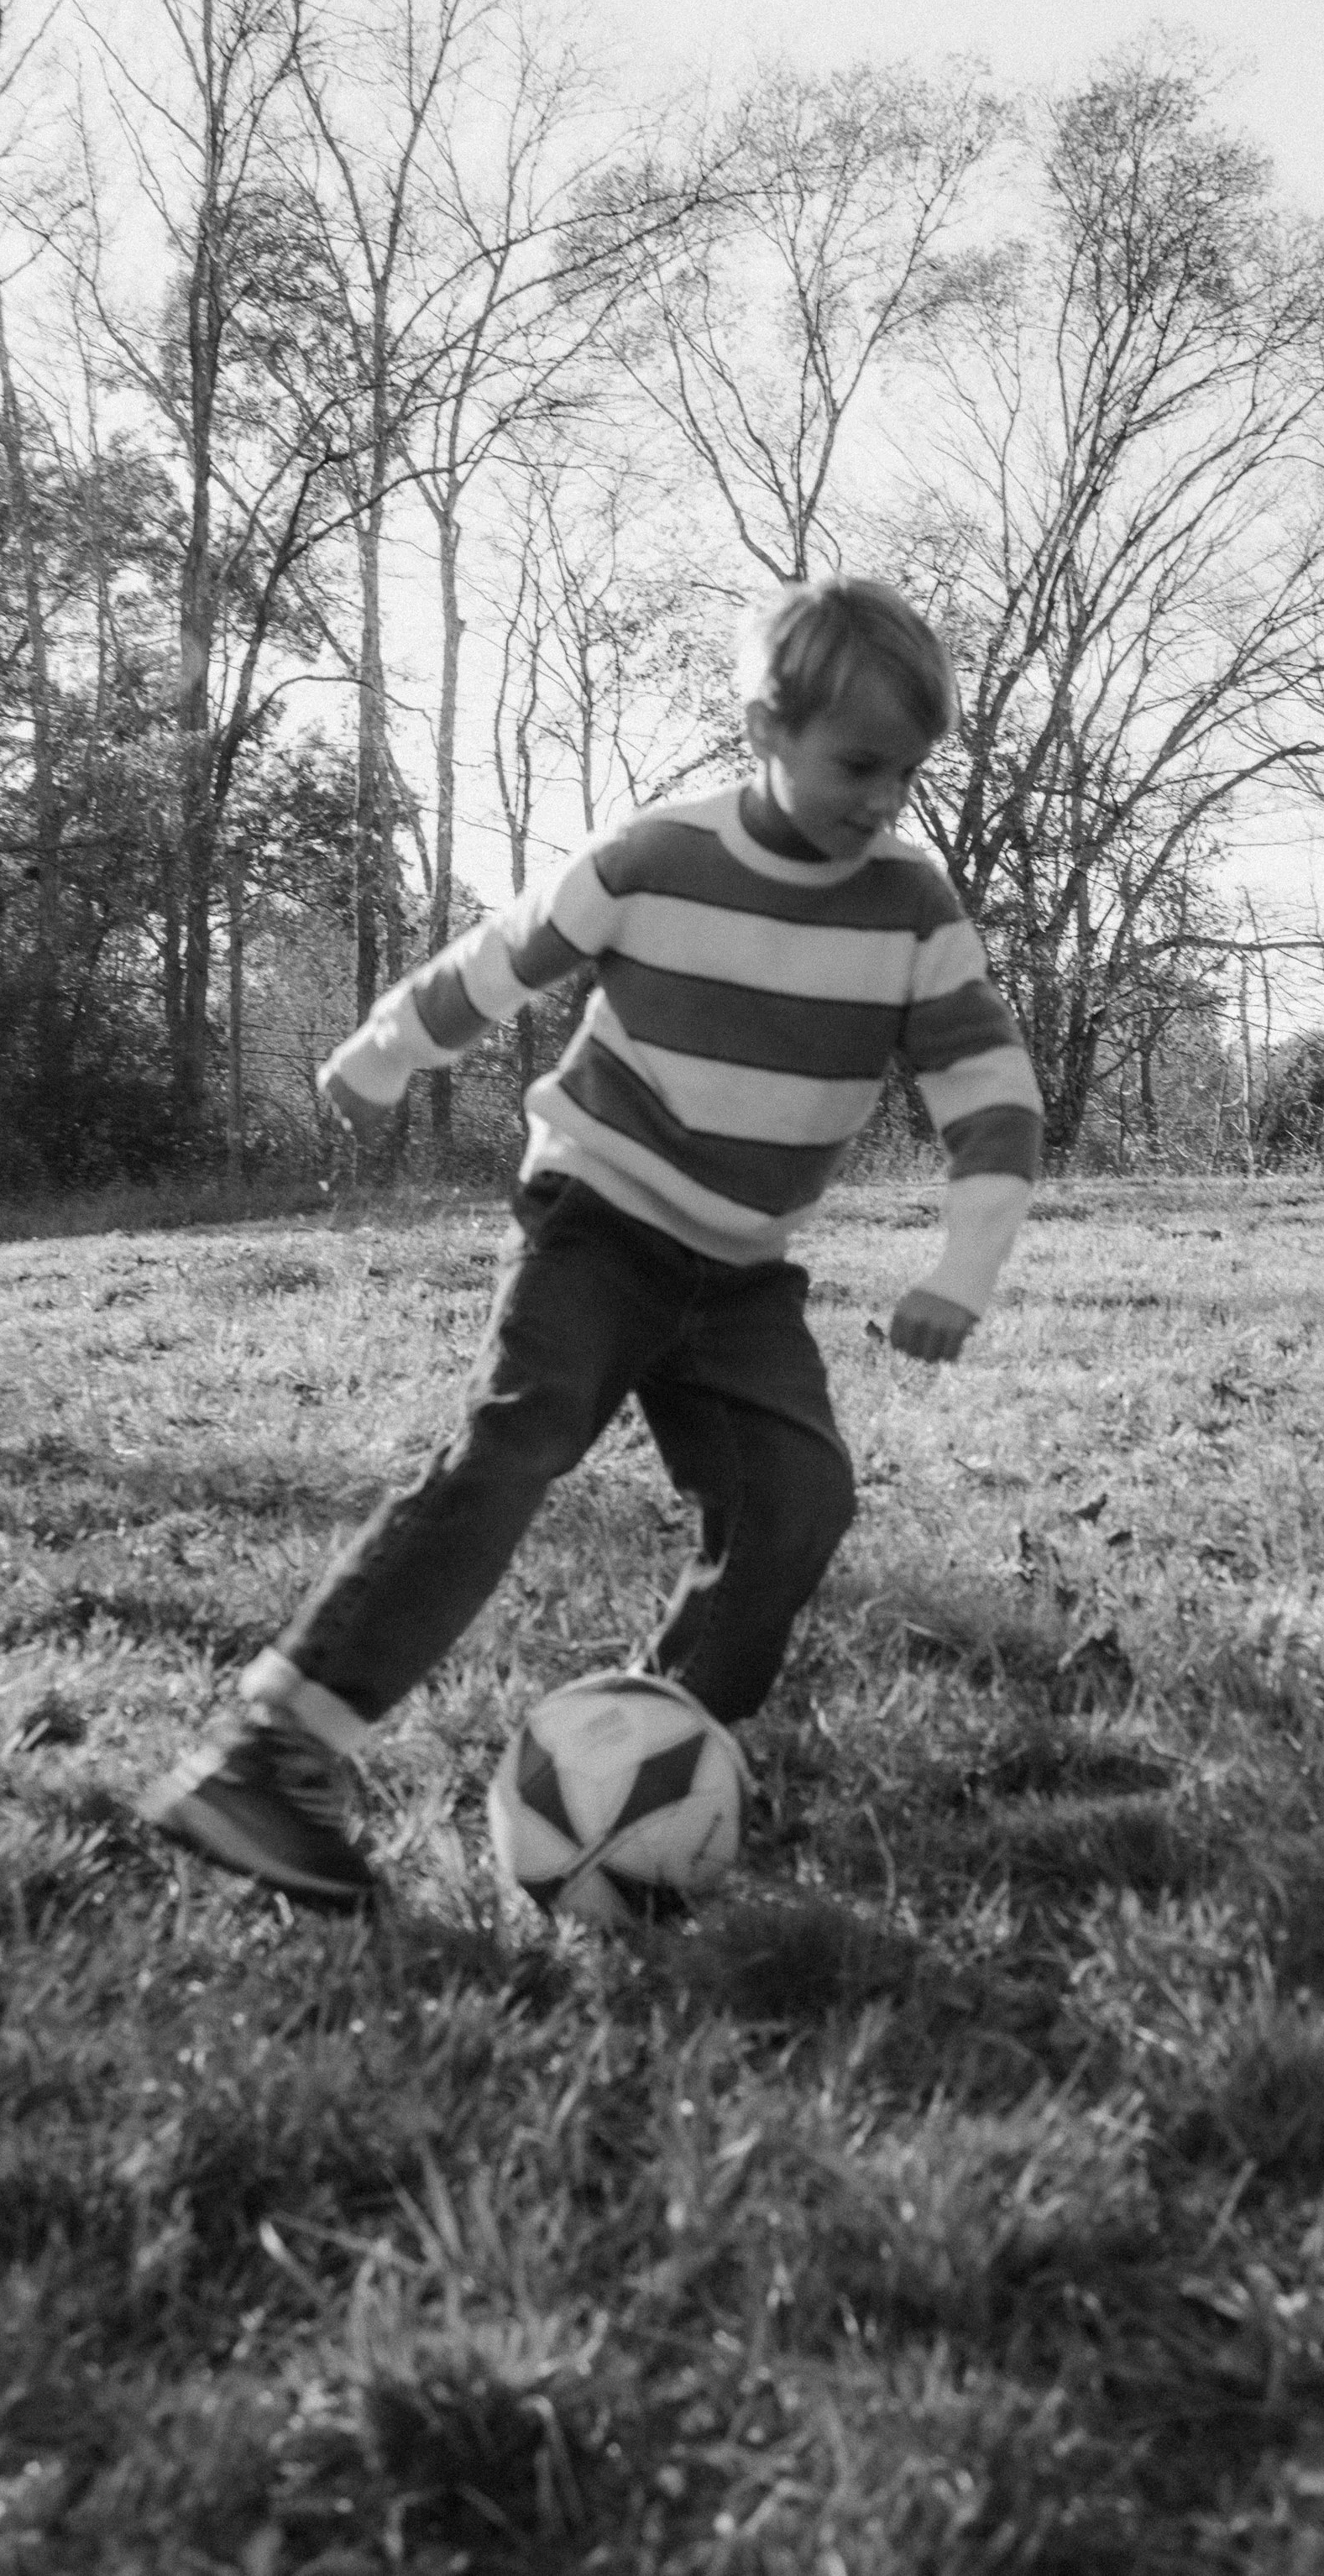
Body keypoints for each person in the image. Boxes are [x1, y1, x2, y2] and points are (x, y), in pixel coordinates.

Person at [139, 575, 1043, 1912]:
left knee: (797, 1503)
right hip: (599, 1222)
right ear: (765, 729)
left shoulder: (911, 909)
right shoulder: (658, 857)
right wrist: (385, 1050)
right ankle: (269, 1754)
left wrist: (961, 1273)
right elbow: (506, 954)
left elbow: (993, 1097)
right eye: (856, 763)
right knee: (523, 1433)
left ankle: (654, 1753)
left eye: (905, 774)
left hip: (740, 1275)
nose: (880, 800)